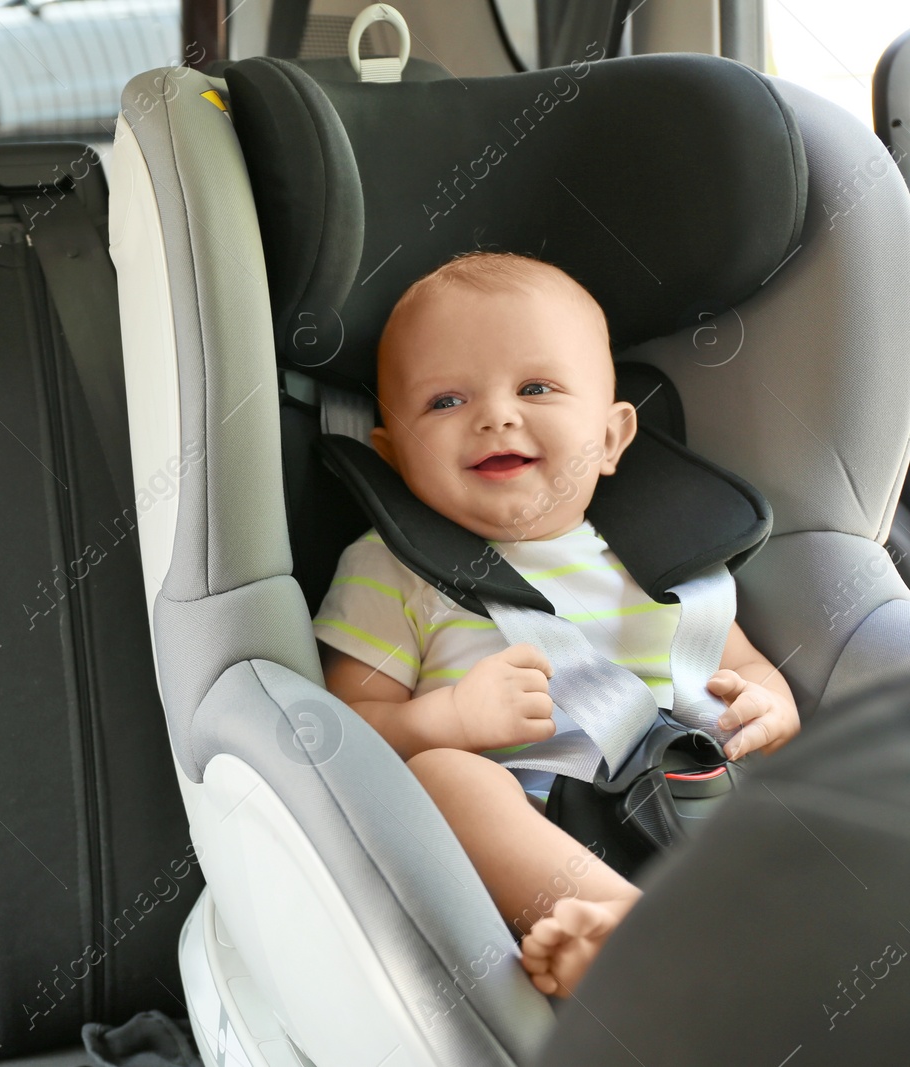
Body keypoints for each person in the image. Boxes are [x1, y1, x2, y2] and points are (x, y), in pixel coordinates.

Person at [313, 251, 801, 996]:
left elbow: (747, 668)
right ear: (392, 451)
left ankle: (713, 944)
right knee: (442, 778)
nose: (495, 415)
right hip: (534, 837)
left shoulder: (663, 561)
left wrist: (772, 705)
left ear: (611, 438)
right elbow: (344, 732)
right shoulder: (392, 568)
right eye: (445, 401)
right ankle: (632, 939)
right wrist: (450, 715)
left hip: (694, 807)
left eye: (536, 387)